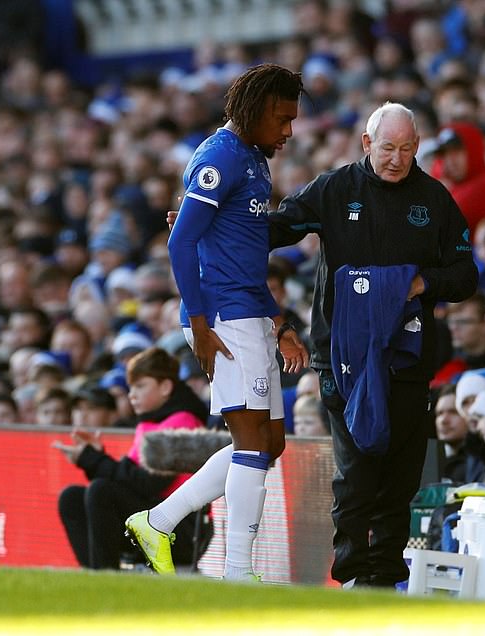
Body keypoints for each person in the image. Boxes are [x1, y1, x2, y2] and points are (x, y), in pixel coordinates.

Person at [268, 102, 478, 588]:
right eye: (388, 148)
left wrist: (420, 284)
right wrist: (213, 223)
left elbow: (466, 274)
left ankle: (383, 577)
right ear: (367, 144)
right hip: (340, 358)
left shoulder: (435, 198)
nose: (397, 158)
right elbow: (277, 228)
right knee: (356, 473)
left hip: (406, 358)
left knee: (399, 478)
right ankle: (351, 576)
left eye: (407, 149)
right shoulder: (335, 188)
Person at [124, 64, 309, 581]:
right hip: (223, 318)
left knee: (270, 444)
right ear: (253, 110)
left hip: (249, 311)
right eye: (281, 118)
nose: (288, 130)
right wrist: (201, 324)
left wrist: (280, 320)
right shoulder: (219, 156)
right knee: (252, 444)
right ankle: (237, 573)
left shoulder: (253, 158)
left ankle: (158, 521)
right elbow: (181, 242)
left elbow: (241, 254)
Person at [56, 347, 208, 570]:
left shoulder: (183, 422)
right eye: (130, 388)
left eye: (140, 386)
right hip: (155, 520)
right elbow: (131, 480)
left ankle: (106, 576)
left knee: (101, 490)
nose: (131, 395)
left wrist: (95, 460)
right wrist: (96, 458)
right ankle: (94, 577)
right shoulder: (151, 422)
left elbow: (149, 483)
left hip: (181, 529)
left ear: (165, 387)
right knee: (71, 498)